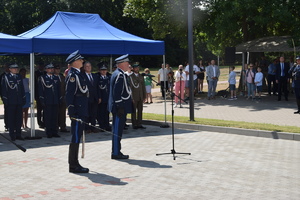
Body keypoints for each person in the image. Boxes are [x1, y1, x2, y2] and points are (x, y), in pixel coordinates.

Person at [65, 50, 89, 173]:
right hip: (77, 111)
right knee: (75, 137)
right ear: (74, 62)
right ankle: (73, 165)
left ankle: (75, 163)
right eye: (80, 60)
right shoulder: (73, 76)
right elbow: (69, 95)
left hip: (81, 110)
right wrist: (71, 110)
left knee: (77, 137)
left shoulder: (79, 74)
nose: (82, 61)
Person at [108, 54, 132, 159]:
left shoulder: (118, 73)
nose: (128, 65)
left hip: (119, 106)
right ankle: (116, 152)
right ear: (122, 64)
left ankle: (117, 151)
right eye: (127, 63)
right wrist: (120, 106)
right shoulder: (120, 75)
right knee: (117, 131)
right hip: (119, 107)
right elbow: (116, 92)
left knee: (118, 130)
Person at [1, 64, 25, 141]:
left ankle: (18, 134)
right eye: (14, 68)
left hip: (19, 101)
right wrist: (5, 100)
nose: (15, 70)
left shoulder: (19, 77)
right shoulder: (6, 77)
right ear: (10, 69)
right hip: (11, 101)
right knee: (11, 119)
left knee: (19, 118)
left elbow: (22, 88)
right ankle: (12, 135)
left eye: (16, 68)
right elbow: (4, 90)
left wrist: (23, 98)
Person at [38, 63, 61, 138]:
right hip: (47, 100)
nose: (52, 69)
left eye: (52, 68)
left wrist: (59, 98)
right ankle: (49, 132)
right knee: (48, 117)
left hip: (55, 100)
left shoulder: (56, 78)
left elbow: (58, 90)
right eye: (50, 68)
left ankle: (55, 131)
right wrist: (42, 100)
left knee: (55, 117)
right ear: (46, 69)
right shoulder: (42, 78)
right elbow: (41, 90)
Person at [82, 61, 99, 133]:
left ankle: (93, 126)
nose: (88, 68)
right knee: (87, 113)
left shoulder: (95, 76)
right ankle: (86, 127)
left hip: (94, 98)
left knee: (94, 113)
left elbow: (97, 87)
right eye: (87, 66)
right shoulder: (82, 76)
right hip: (86, 98)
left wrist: (99, 97)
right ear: (84, 68)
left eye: (89, 66)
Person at [129, 63, 146, 129]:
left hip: (140, 96)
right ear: (133, 69)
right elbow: (130, 88)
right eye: (136, 68)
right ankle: (134, 124)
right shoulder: (131, 77)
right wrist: (132, 97)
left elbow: (143, 87)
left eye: (138, 68)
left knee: (140, 110)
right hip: (134, 96)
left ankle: (139, 123)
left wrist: (144, 96)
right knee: (134, 111)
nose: (137, 69)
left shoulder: (141, 76)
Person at [97, 62, 111, 131]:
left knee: (107, 112)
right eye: (102, 70)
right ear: (99, 71)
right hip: (102, 98)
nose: (104, 71)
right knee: (101, 113)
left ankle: (107, 125)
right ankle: (102, 125)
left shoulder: (109, 78)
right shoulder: (98, 78)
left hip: (107, 98)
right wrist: (99, 97)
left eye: (105, 70)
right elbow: (98, 89)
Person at [54, 64, 68, 132]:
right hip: (55, 98)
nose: (58, 70)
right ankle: (56, 127)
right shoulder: (52, 77)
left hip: (62, 97)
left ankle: (63, 126)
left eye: (58, 69)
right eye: (56, 69)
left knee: (63, 113)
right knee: (56, 113)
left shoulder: (62, 77)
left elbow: (65, 86)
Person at [0, 63, 11, 131]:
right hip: (5, 96)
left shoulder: (12, 75)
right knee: (7, 111)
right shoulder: (2, 76)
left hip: (13, 96)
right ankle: (7, 125)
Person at [34, 62, 45, 129]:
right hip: (38, 94)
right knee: (39, 110)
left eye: (42, 66)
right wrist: (35, 95)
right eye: (40, 66)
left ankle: (44, 122)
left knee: (45, 110)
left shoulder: (45, 73)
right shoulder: (36, 73)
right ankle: (39, 122)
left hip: (45, 95)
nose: (41, 67)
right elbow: (35, 85)